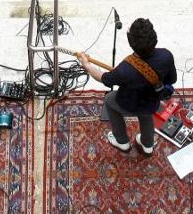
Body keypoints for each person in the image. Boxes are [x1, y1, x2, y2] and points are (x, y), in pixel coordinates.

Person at [75, 18, 175, 155]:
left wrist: (86, 65)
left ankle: (122, 142)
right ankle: (147, 145)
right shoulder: (166, 55)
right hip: (152, 102)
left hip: (128, 104)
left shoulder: (125, 69)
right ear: (154, 38)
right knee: (146, 115)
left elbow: (103, 78)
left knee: (109, 100)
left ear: (131, 44)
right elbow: (172, 79)